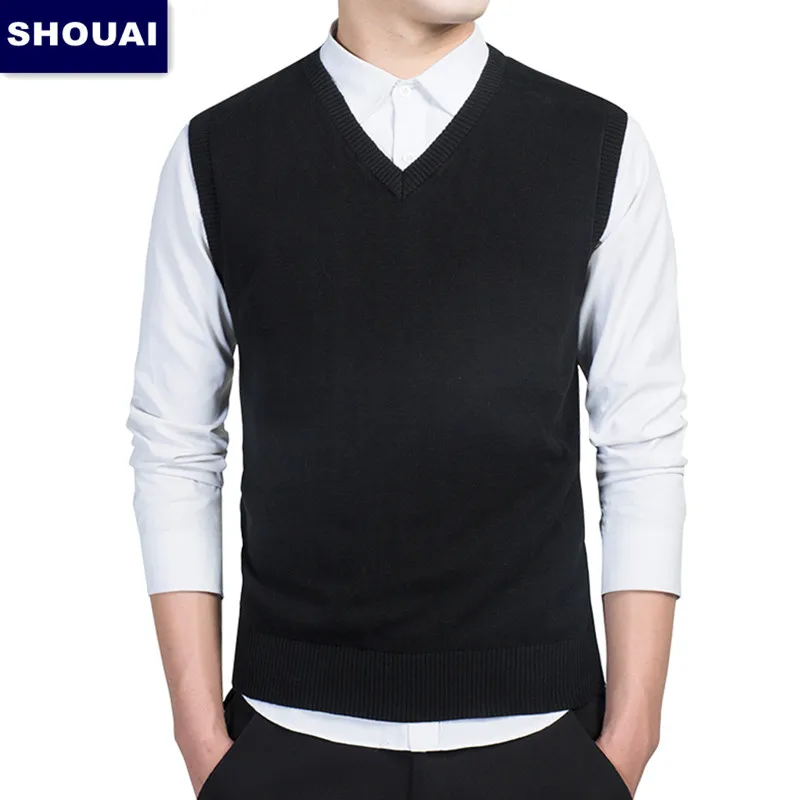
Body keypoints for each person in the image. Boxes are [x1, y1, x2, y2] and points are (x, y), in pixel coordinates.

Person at [125, 1, 688, 797]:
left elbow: (642, 444)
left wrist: (631, 736)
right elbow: (176, 448)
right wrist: (200, 739)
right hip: (285, 737)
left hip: (545, 740)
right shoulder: (221, 150)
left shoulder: (596, 143)